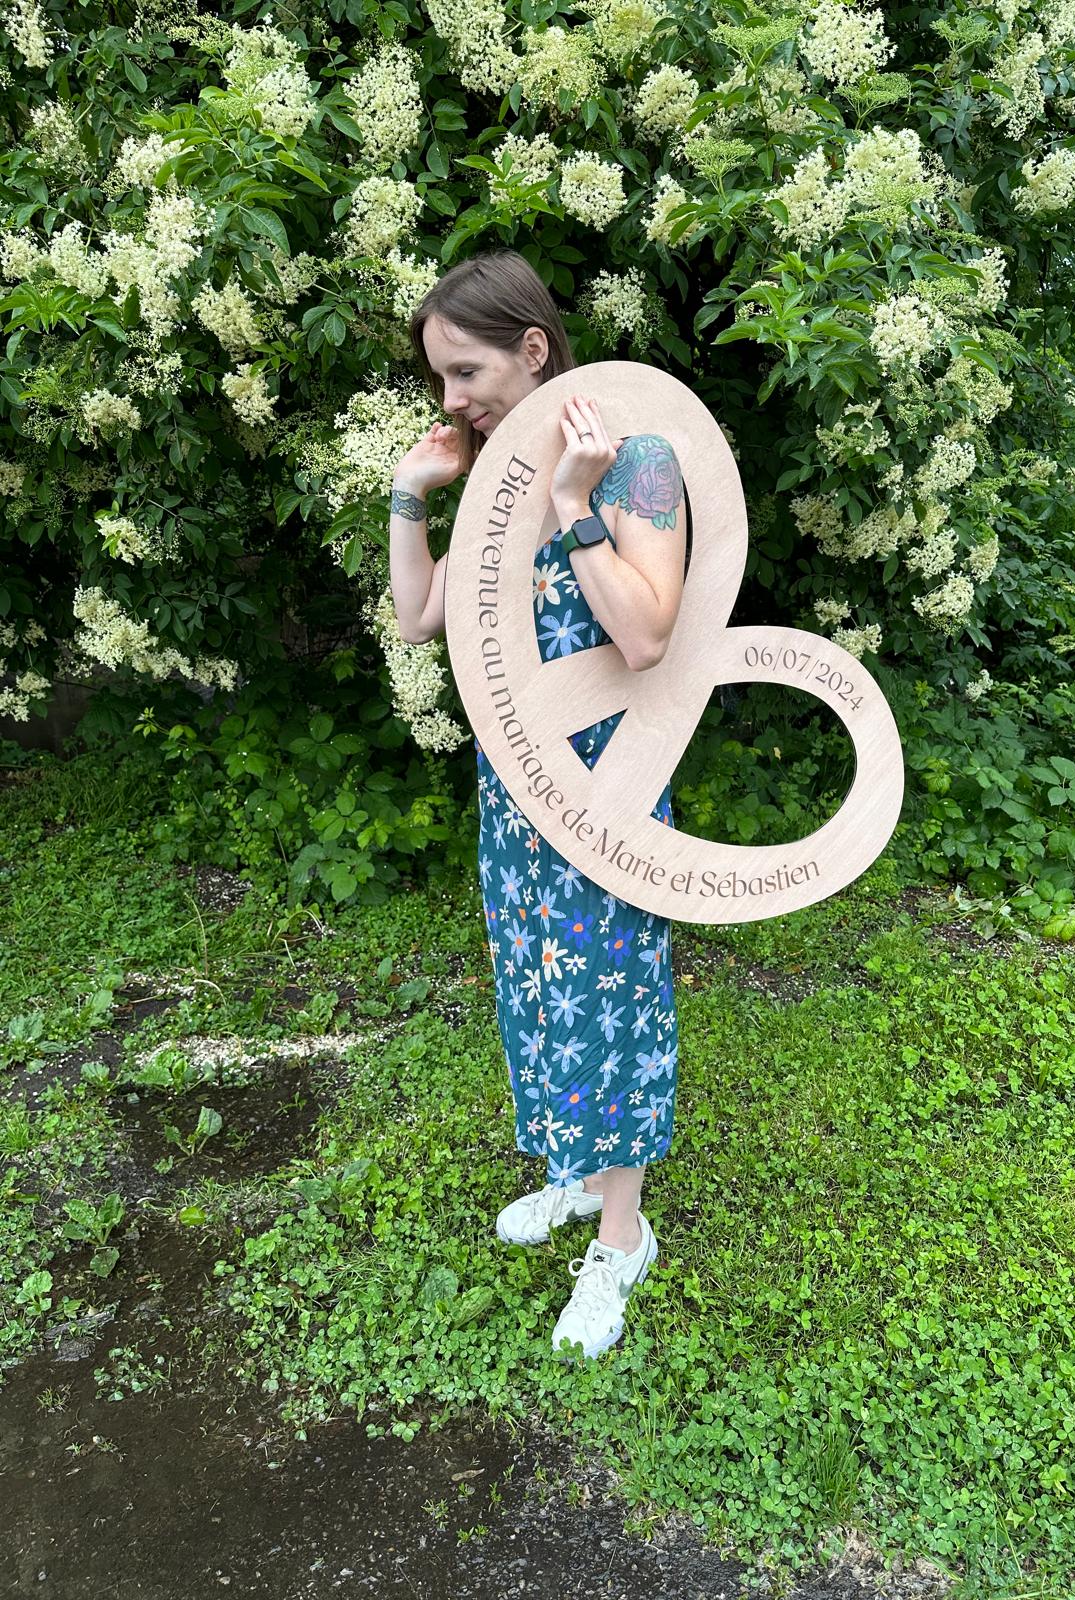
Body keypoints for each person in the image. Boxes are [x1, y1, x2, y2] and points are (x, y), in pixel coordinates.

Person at [389, 249, 688, 1360]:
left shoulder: (639, 458)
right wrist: (410, 496)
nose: (452, 401)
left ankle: (623, 1231)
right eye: (439, 383)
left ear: (531, 346)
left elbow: (647, 632)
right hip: (514, 782)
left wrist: (576, 506)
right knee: (535, 978)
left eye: (464, 372)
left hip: (607, 783)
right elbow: (419, 617)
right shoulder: (493, 477)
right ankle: (575, 1168)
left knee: (612, 992)